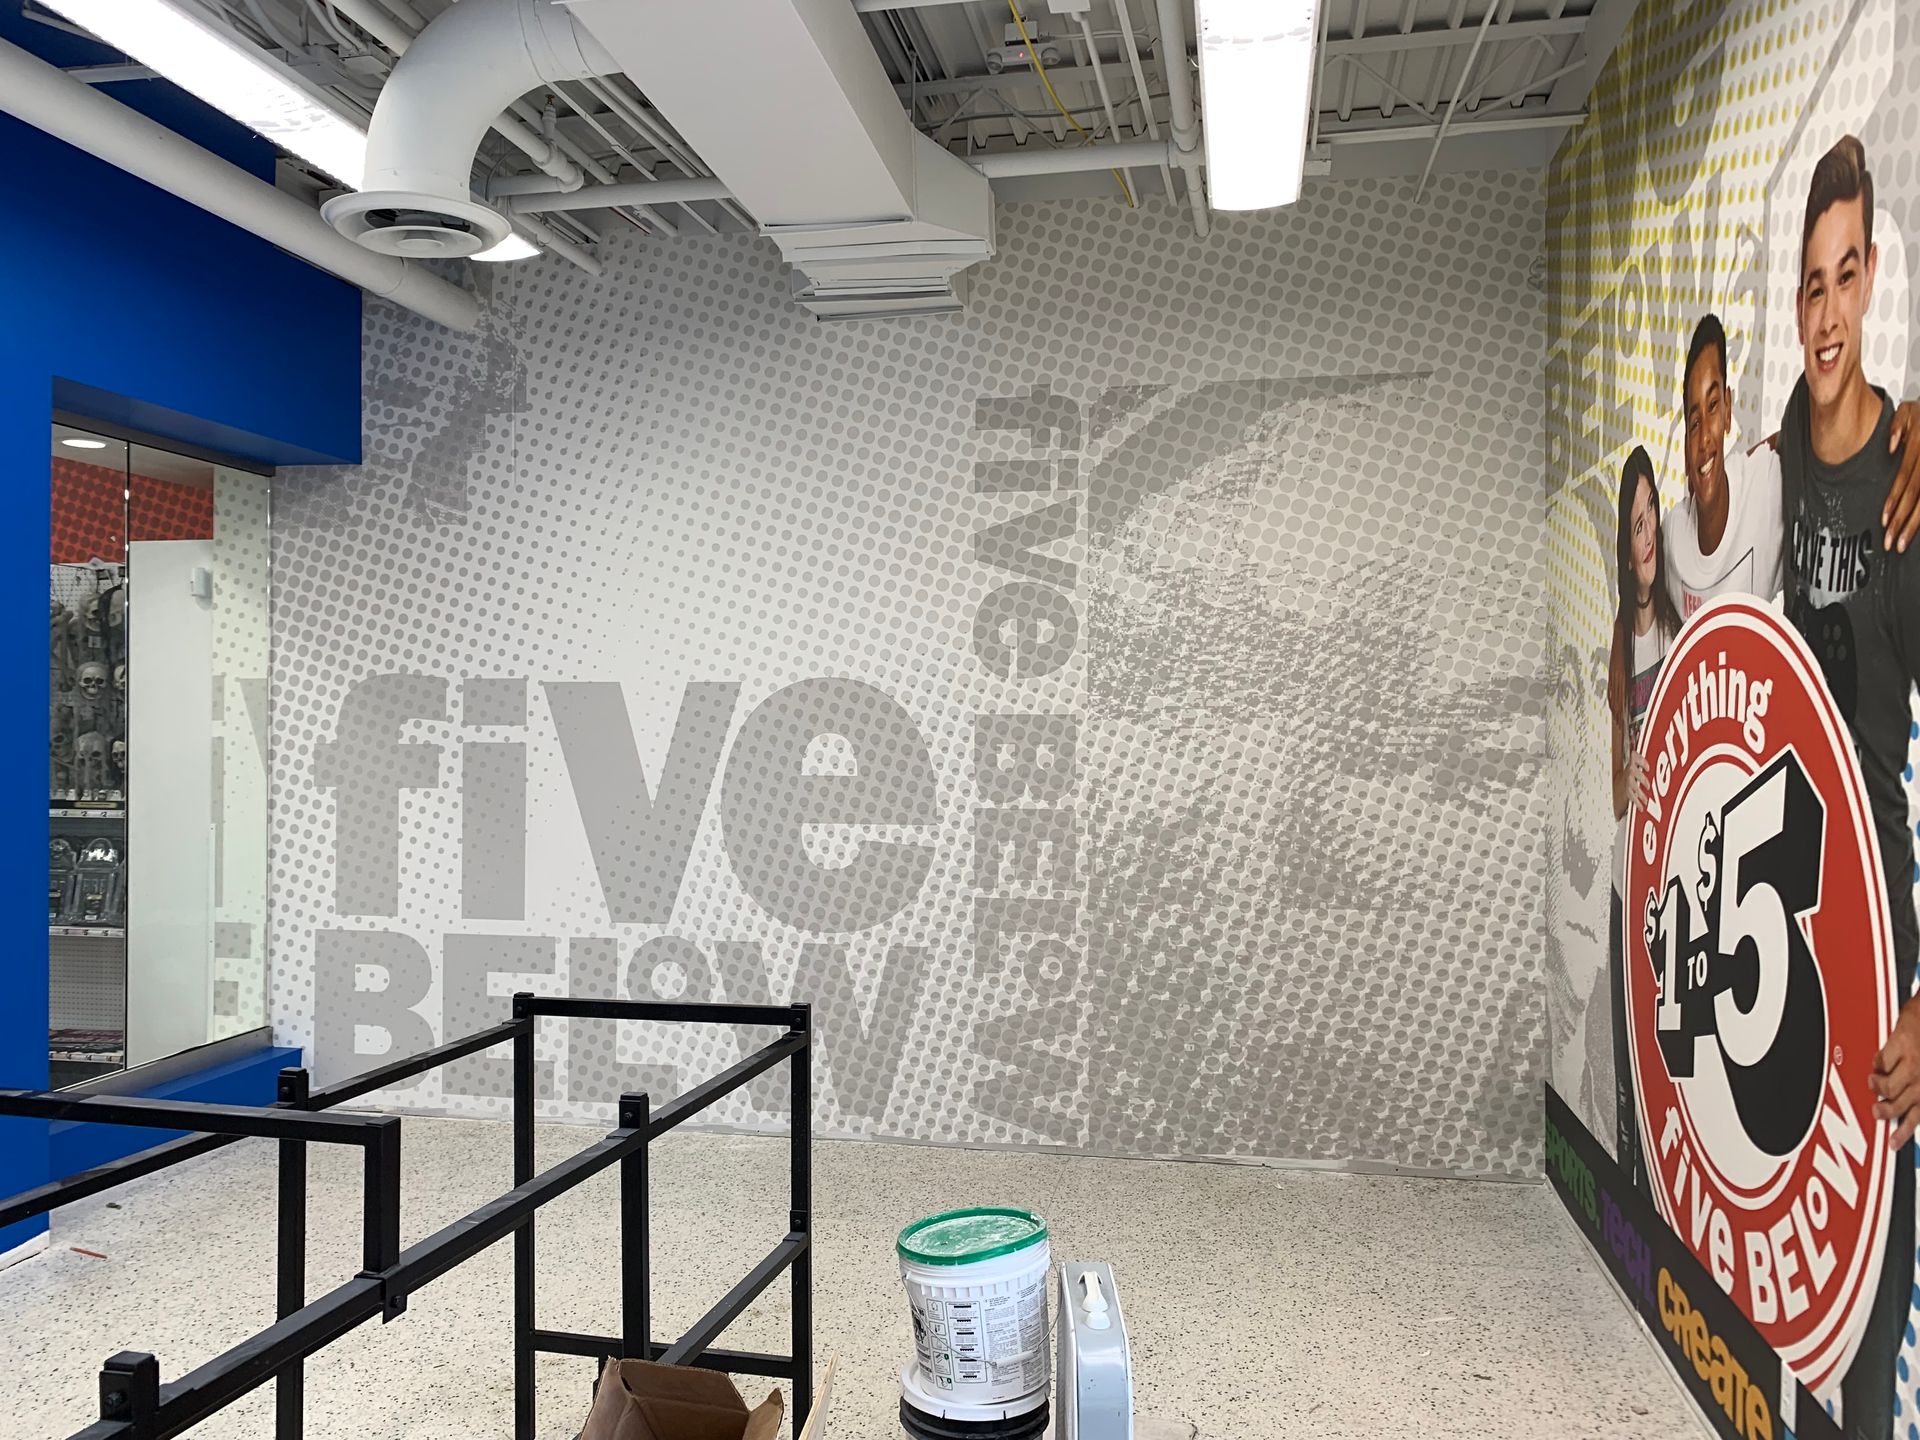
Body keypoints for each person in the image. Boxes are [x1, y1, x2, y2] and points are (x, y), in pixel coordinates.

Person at [1777, 133, 1920, 1439]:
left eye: (1846, 278)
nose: (1829, 313)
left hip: (1883, 956)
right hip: (1793, 930)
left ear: (1874, 276)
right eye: (1810, 286)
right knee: (1794, 1294)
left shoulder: (1906, 492)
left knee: (1871, 1321)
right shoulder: (1786, 448)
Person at [1608, 444, 1682, 1193]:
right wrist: (1629, 775)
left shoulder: (1679, 621)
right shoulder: (1621, 642)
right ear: (1625, 546)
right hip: (1630, 880)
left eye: (1652, 511)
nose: (1650, 530)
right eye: (1636, 523)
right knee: (1628, 1066)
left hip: (1676, 882)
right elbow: (1614, 790)